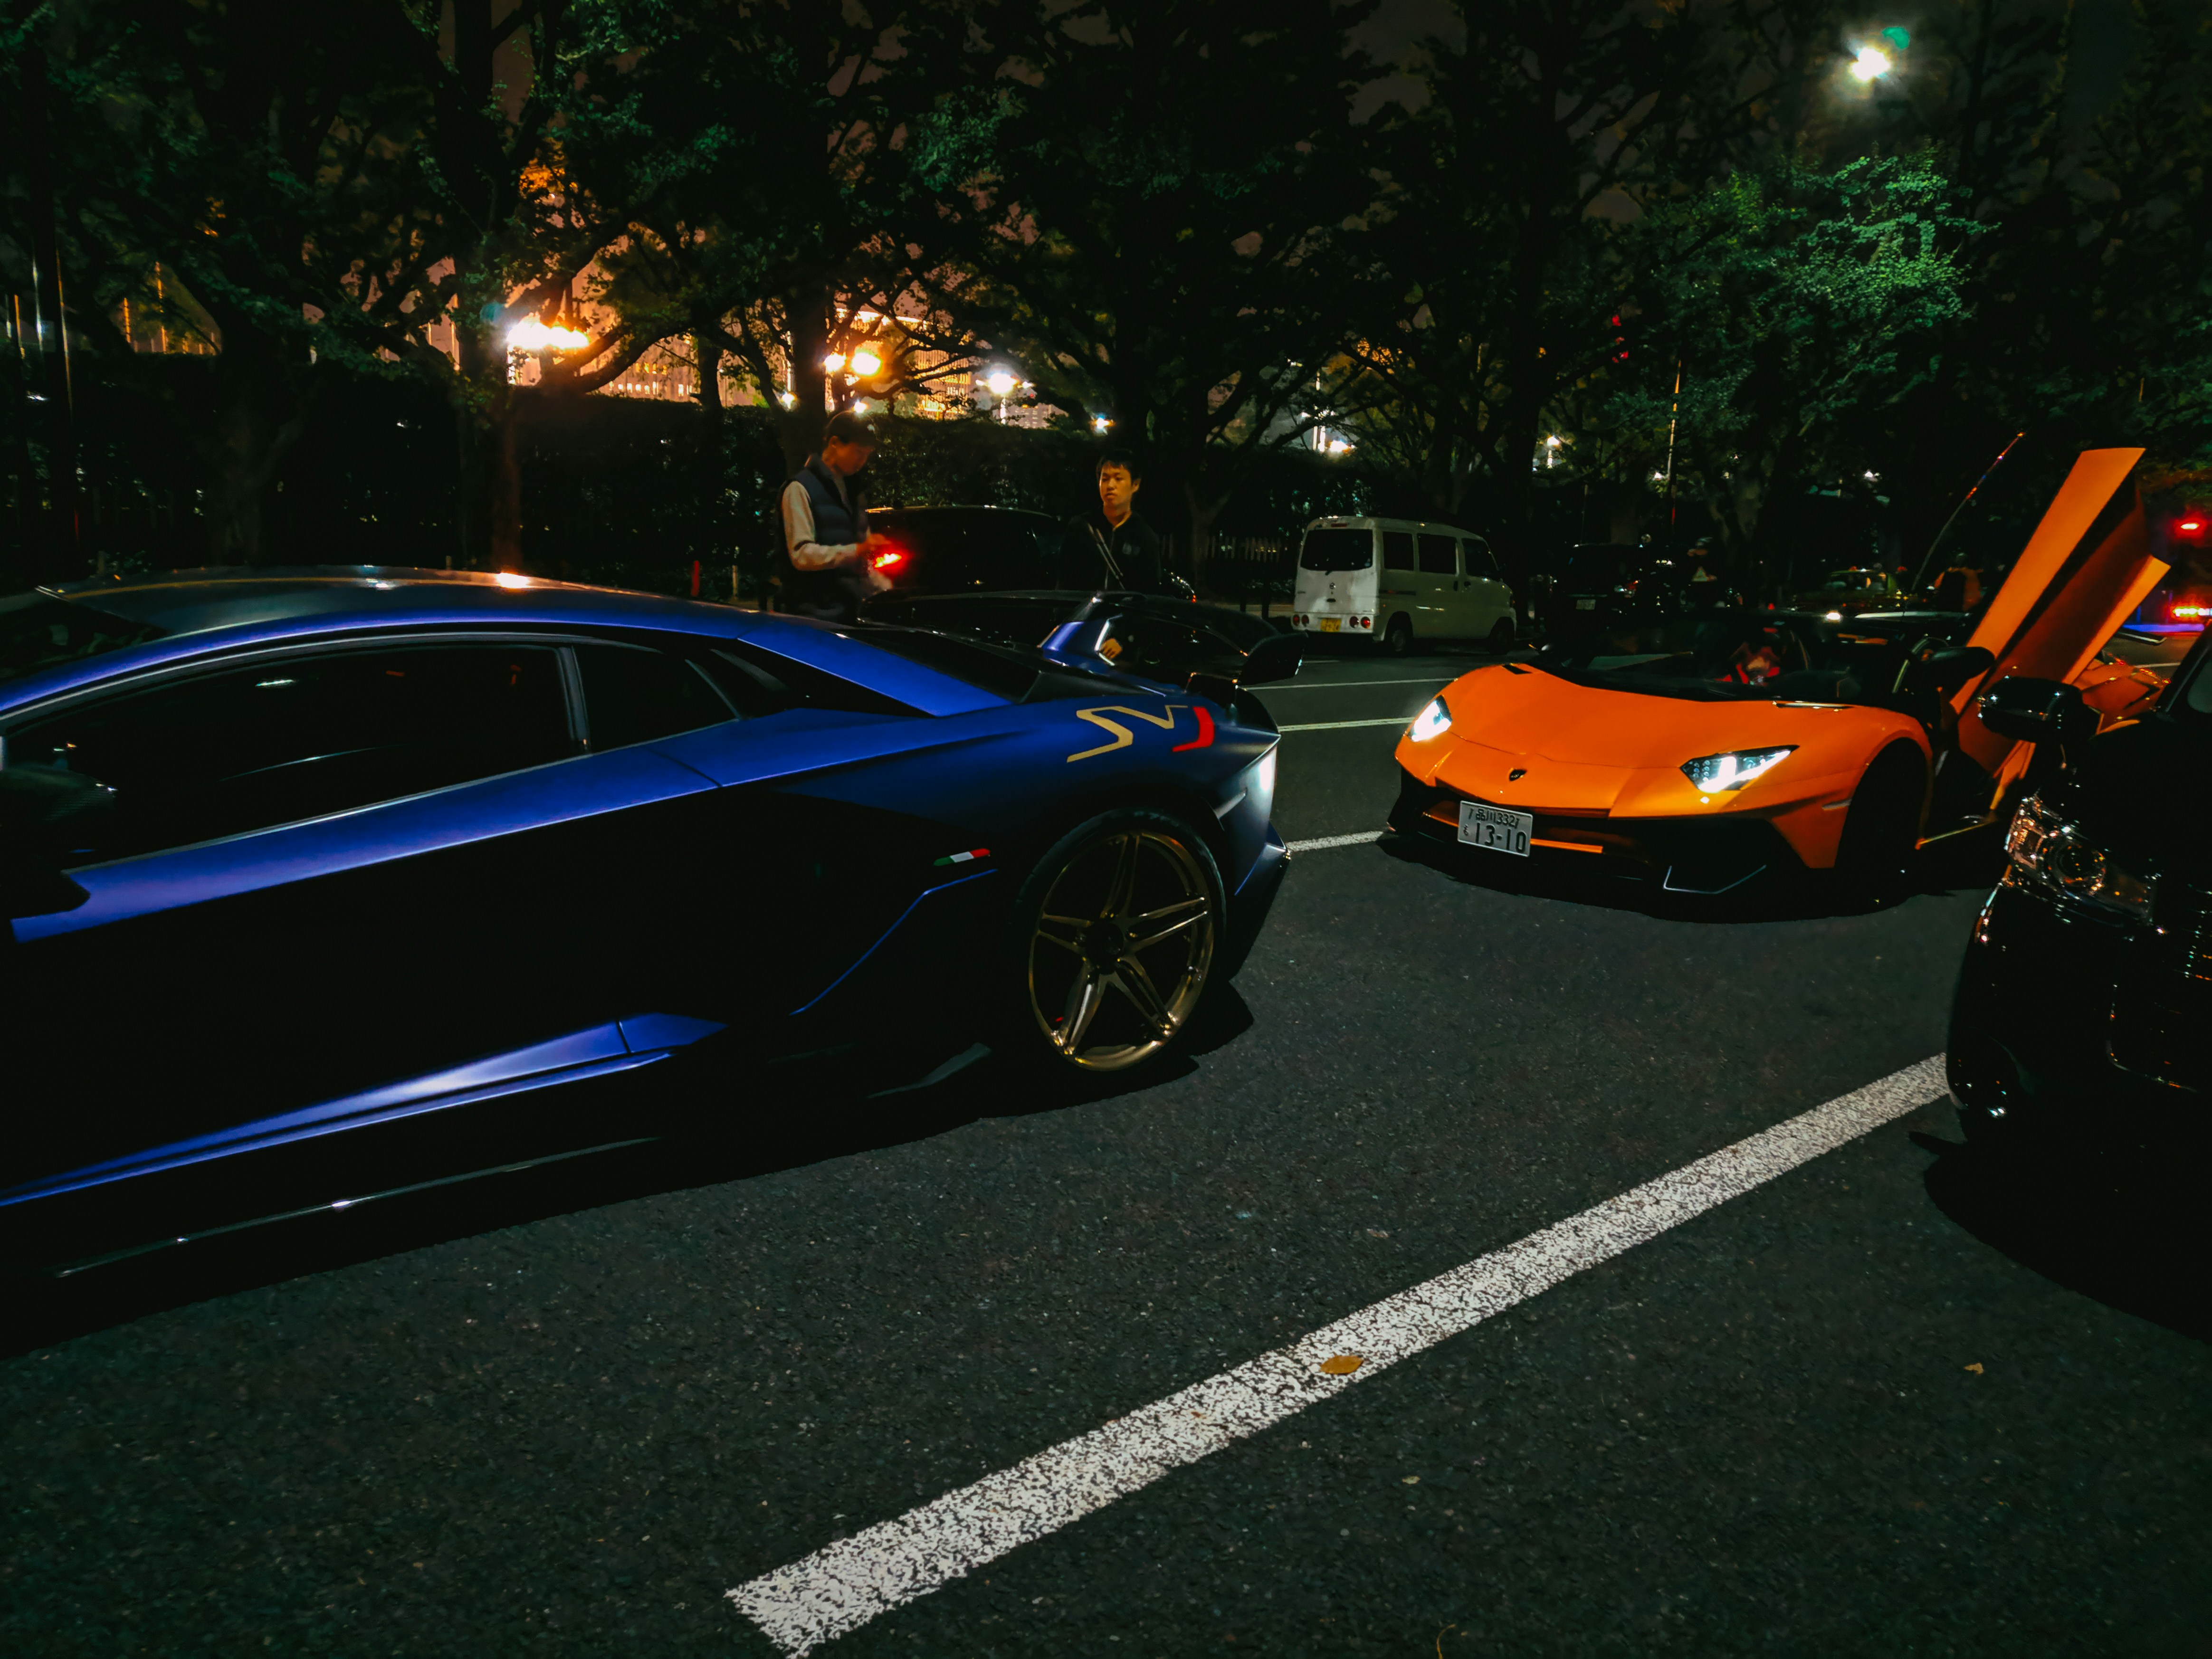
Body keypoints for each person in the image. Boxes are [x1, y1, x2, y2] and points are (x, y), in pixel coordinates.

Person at [777, 410, 891, 622]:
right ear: (835, 443)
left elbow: (862, 560)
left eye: (867, 454)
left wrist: (886, 591)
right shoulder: (799, 488)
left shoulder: (853, 491)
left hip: (849, 614)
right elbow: (802, 555)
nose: (863, 461)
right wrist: (856, 550)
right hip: (812, 617)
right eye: (858, 452)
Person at [1076, 448, 1167, 593]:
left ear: (1135, 485)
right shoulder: (1081, 527)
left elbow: (1149, 593)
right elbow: (1065, 584)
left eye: (1118, 479)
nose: (1110, 486)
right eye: (1105, 479)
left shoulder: (1145, 537)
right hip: (1082, 615)